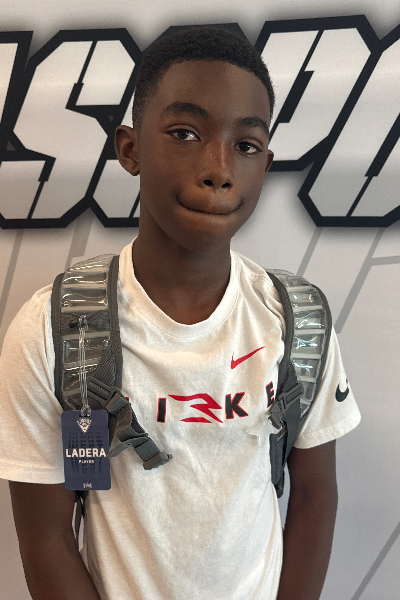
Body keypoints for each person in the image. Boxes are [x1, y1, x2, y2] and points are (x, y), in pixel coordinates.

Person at [0, 26, 361, 600]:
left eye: (246, 145)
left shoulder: (297, 323)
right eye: (185, 134)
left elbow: (316, 496)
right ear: (130, 149)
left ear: (266, 164)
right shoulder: (54, 332)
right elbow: (47, 535)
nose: (219, 168)